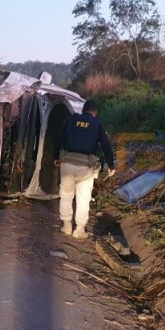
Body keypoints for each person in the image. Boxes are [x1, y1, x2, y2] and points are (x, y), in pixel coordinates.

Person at [54, 100, 115, 239]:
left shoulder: (70, 120)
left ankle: (66, 225)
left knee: (66, 195)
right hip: (86, 167)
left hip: (67, 163)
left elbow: (58, 138)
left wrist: (55, 157)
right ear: (95, 113)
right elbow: (106, 146)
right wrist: (111, 166)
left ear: (83, 110)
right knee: (83, 198)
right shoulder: (97, 124)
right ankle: (79, 229)